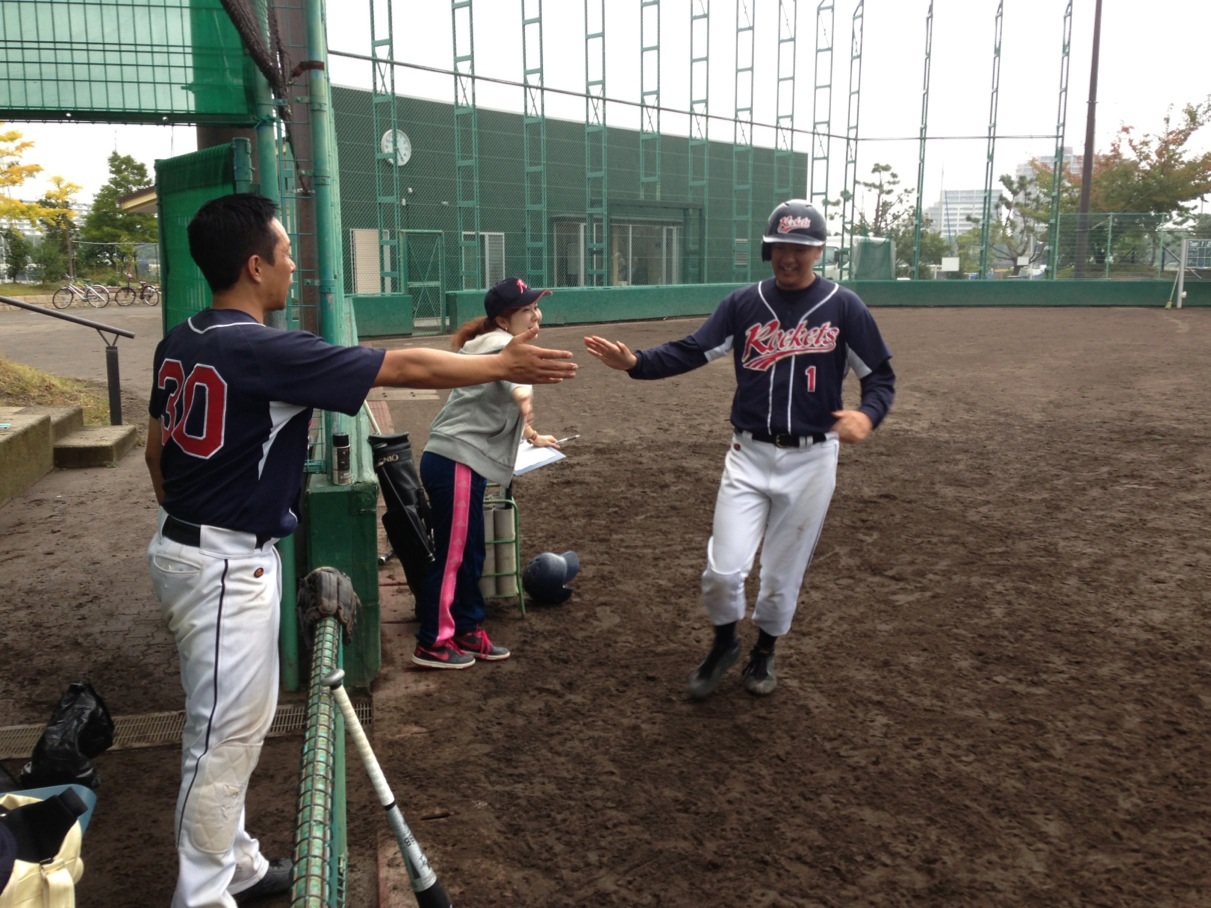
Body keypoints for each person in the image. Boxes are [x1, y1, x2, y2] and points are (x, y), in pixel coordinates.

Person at [144, 195, 576, 907]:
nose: (292, 264)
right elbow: (401, 369)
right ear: (254, 266)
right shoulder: (260, 346)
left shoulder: (184, 336)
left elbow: (158, 451)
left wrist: (190, 516)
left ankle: (239, 866)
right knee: (219, 740)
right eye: (283, 254)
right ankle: (201, 897)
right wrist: (499, 365)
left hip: (194, 547)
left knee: (233, 731)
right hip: (222, 562)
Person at [585, 199, 895, 699]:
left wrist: (868, 415)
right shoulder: (743, 303)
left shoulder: (844, 306)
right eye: (779, 247)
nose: (789, 257)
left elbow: (879, 378)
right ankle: (725, 642)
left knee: (780, 576)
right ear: (766, 250)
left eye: (801, 248)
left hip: (812, 460)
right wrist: (636, 362)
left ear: (817, 251)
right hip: (748, 454)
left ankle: (764, 652)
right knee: (722, 570)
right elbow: (693, 349)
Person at [413, 276, 563, 669]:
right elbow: (515, 385)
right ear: (502, 319)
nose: (536, 314)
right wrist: (526, 400)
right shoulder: (499, 346)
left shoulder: (493, 346)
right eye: (526, 309)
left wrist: (530, 432)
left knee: (471, 552)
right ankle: (433, 641)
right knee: (453, 556)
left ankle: (467, 628)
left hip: (463, 459)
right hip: (456, 460)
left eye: (535, 307)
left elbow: (495, 394)